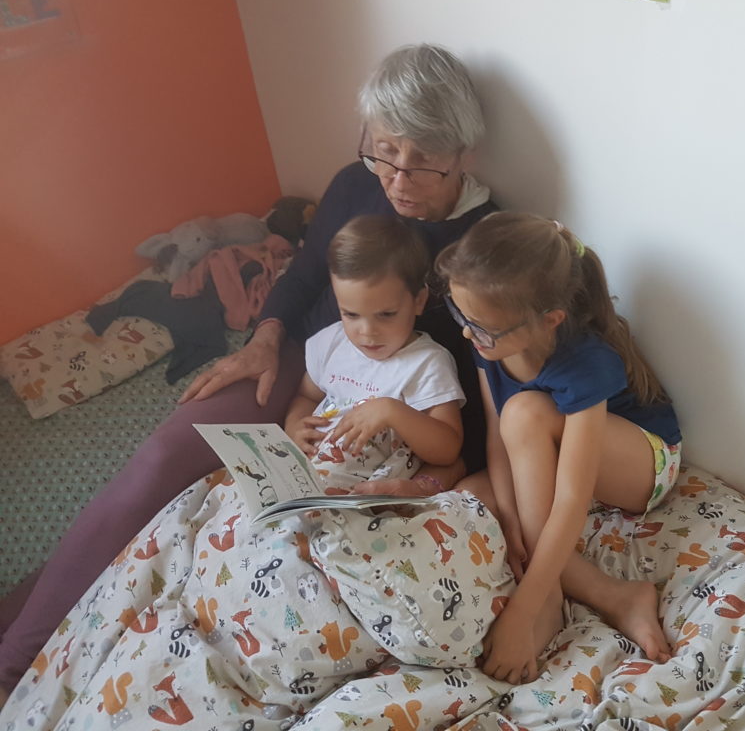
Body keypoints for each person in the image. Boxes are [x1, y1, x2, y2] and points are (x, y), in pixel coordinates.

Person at [0, 43, 498, 702]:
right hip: (305, 365)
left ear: (464, 154)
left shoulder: (485, 245)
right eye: (384, 152)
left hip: (385, 418)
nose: (397, 179)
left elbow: (480, 398)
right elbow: (304, 273)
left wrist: (434, 482)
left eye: (422, 162)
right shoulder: (355, 185)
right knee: (161, 461)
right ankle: (13, 661)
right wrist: (265, 338)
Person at [436, 212, 683, 685]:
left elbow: (571, 497)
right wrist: (510, 515)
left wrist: (522, 610)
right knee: (472, 495)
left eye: (481, 327)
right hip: (554, 449)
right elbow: (496, 436)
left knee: (525, 412)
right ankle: (616, 594)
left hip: (642, 463)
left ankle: (549, 600)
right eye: (462, 316)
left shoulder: (585, 362)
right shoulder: (487, 337)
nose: (467, 333)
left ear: (549, 320)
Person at [286, 214, 464, 487]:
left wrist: (391, 411)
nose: (367, 332)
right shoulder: (332, 342)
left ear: (419, 301)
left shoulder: (427, 363)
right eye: (351, 314)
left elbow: (448, 449)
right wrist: (294, 425)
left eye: (386, 314)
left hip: (354, 489)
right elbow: (306, 395)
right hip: (300, 470)